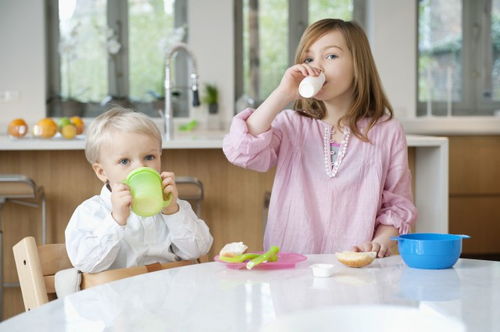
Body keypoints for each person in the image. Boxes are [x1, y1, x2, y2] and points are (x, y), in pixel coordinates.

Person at [223, 19, 417, 257]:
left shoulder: (387, 131)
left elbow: (397, 204)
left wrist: (379, 242)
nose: (317, 67)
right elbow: (241, 151)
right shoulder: (291, 124)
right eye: (309, 59)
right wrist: (282, 93)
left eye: (331, 56)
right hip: (291, 265)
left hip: (355, 267)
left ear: (359, 65)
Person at [65, 107, 213, 273]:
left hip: (169, 292)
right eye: (124, 161)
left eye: (149, 157)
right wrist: (116, 219)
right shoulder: (91, 212)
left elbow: (199, 249)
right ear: (102, 172)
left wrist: (173, 211)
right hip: (117, 295)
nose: (140, 167)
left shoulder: (172, 205)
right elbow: (87, 264)